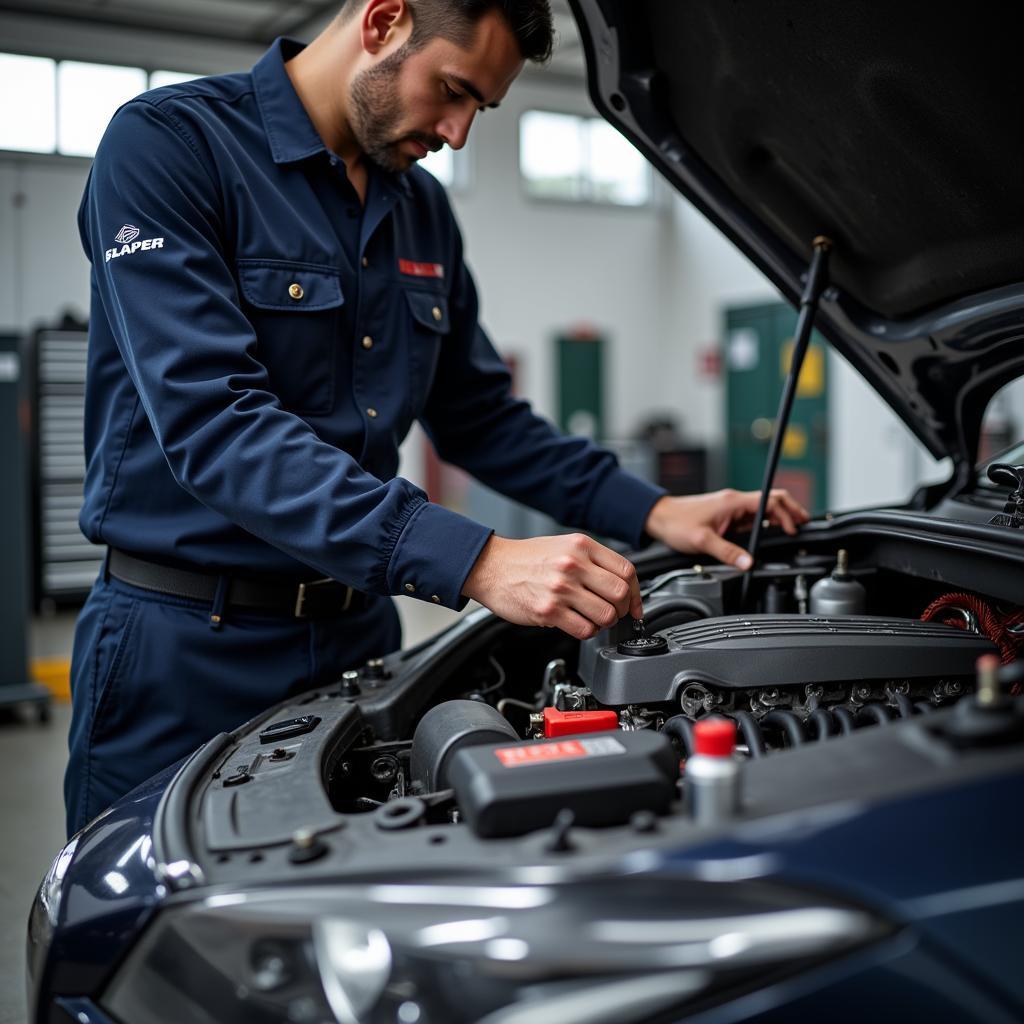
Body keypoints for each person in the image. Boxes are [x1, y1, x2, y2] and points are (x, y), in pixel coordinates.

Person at [66, 0, 808, 836]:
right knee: (133, 934)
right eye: (452, 91)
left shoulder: (420, 213)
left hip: (356, 644)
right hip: (182, 648)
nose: (457, 134)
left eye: (478, 110)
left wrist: (657, 511)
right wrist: (476, 559)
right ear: (383, 21)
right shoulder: (172, 146)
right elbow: (216, 426)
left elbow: (482, 419)